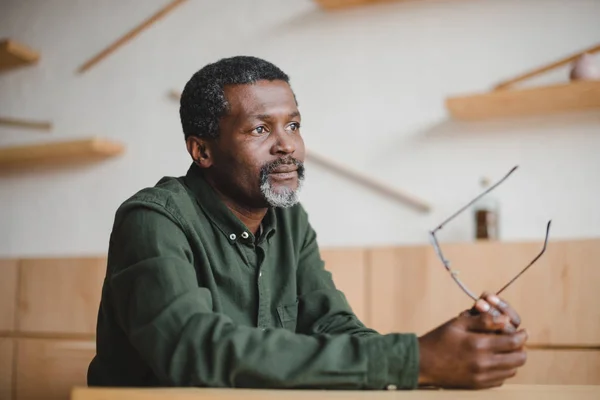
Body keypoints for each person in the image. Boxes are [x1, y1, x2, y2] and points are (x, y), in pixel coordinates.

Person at [87, 56, 528, 390]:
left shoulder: (289, 219)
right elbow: (195, 351)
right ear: (202, 151)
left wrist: (447, 353)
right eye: (261, 129)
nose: (288, 147)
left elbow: (334, 326)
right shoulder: (152, 219)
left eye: (293, 125)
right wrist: (413, 360)